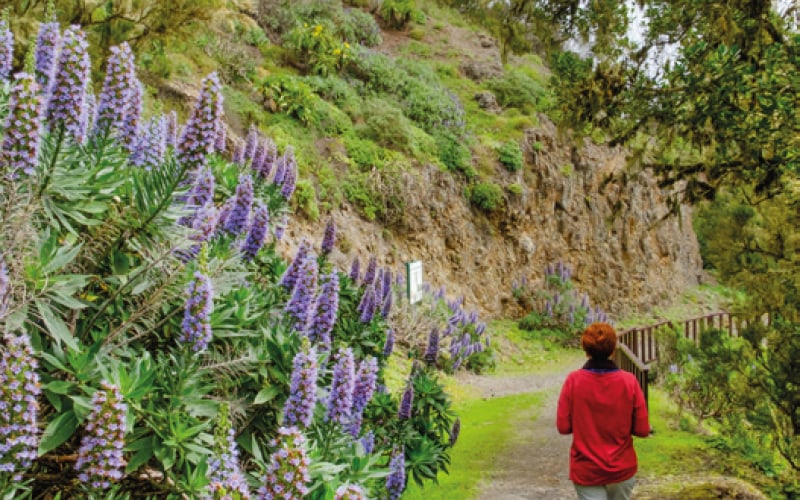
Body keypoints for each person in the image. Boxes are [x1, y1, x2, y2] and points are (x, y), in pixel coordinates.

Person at [557, 322, 650, 500]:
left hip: (586, 469)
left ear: (586, 350)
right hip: (621, 469)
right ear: (613, 349)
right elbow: (642, 430)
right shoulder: (629, 382)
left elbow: (563, 427)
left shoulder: (573, 381)